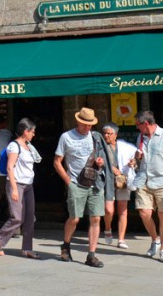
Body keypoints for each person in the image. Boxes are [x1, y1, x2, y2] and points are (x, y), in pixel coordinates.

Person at [54, 107, 106, 268]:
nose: (87, 127)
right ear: (78, 121)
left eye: (90, 125)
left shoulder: (95, 137)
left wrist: (99, 163)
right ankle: (66, 245)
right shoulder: (66, 137)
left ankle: (91, 255)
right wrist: (67, 181)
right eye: (84, 124)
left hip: (95, 182)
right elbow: (57, 161)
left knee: (96, 218)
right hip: (76, 182)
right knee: (75, 218)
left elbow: (101, 157)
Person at [133, 110, 163, 264]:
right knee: (144, 212)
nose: (137, 128)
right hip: (144, 179)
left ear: (146, 123)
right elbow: (138, 160)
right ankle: (155, 240)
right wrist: (136, 158)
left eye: (138, 125)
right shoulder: (140, 137)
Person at [0, 118, 42, 258]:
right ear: (26, 131)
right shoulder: (14, 146)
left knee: (29, 218)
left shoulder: (29, 146)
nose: (34, 134)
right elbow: (9, 167)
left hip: (28, 185)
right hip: (17, 184)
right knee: (17, 217)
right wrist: (14, 188)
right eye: (32, 131)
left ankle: (27, 248)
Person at [101, 122, 136, 249]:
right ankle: (108, 228)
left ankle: (121, 239)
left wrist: (134, 162)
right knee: (109, 209)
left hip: (122, 180)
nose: (106, 136)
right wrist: (111, 167)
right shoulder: (100, 147)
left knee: (122, 210)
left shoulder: (125, 146)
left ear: (115, 135)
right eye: (104, 133)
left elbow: (135, 155)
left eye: (109, 134)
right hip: (107, 181)